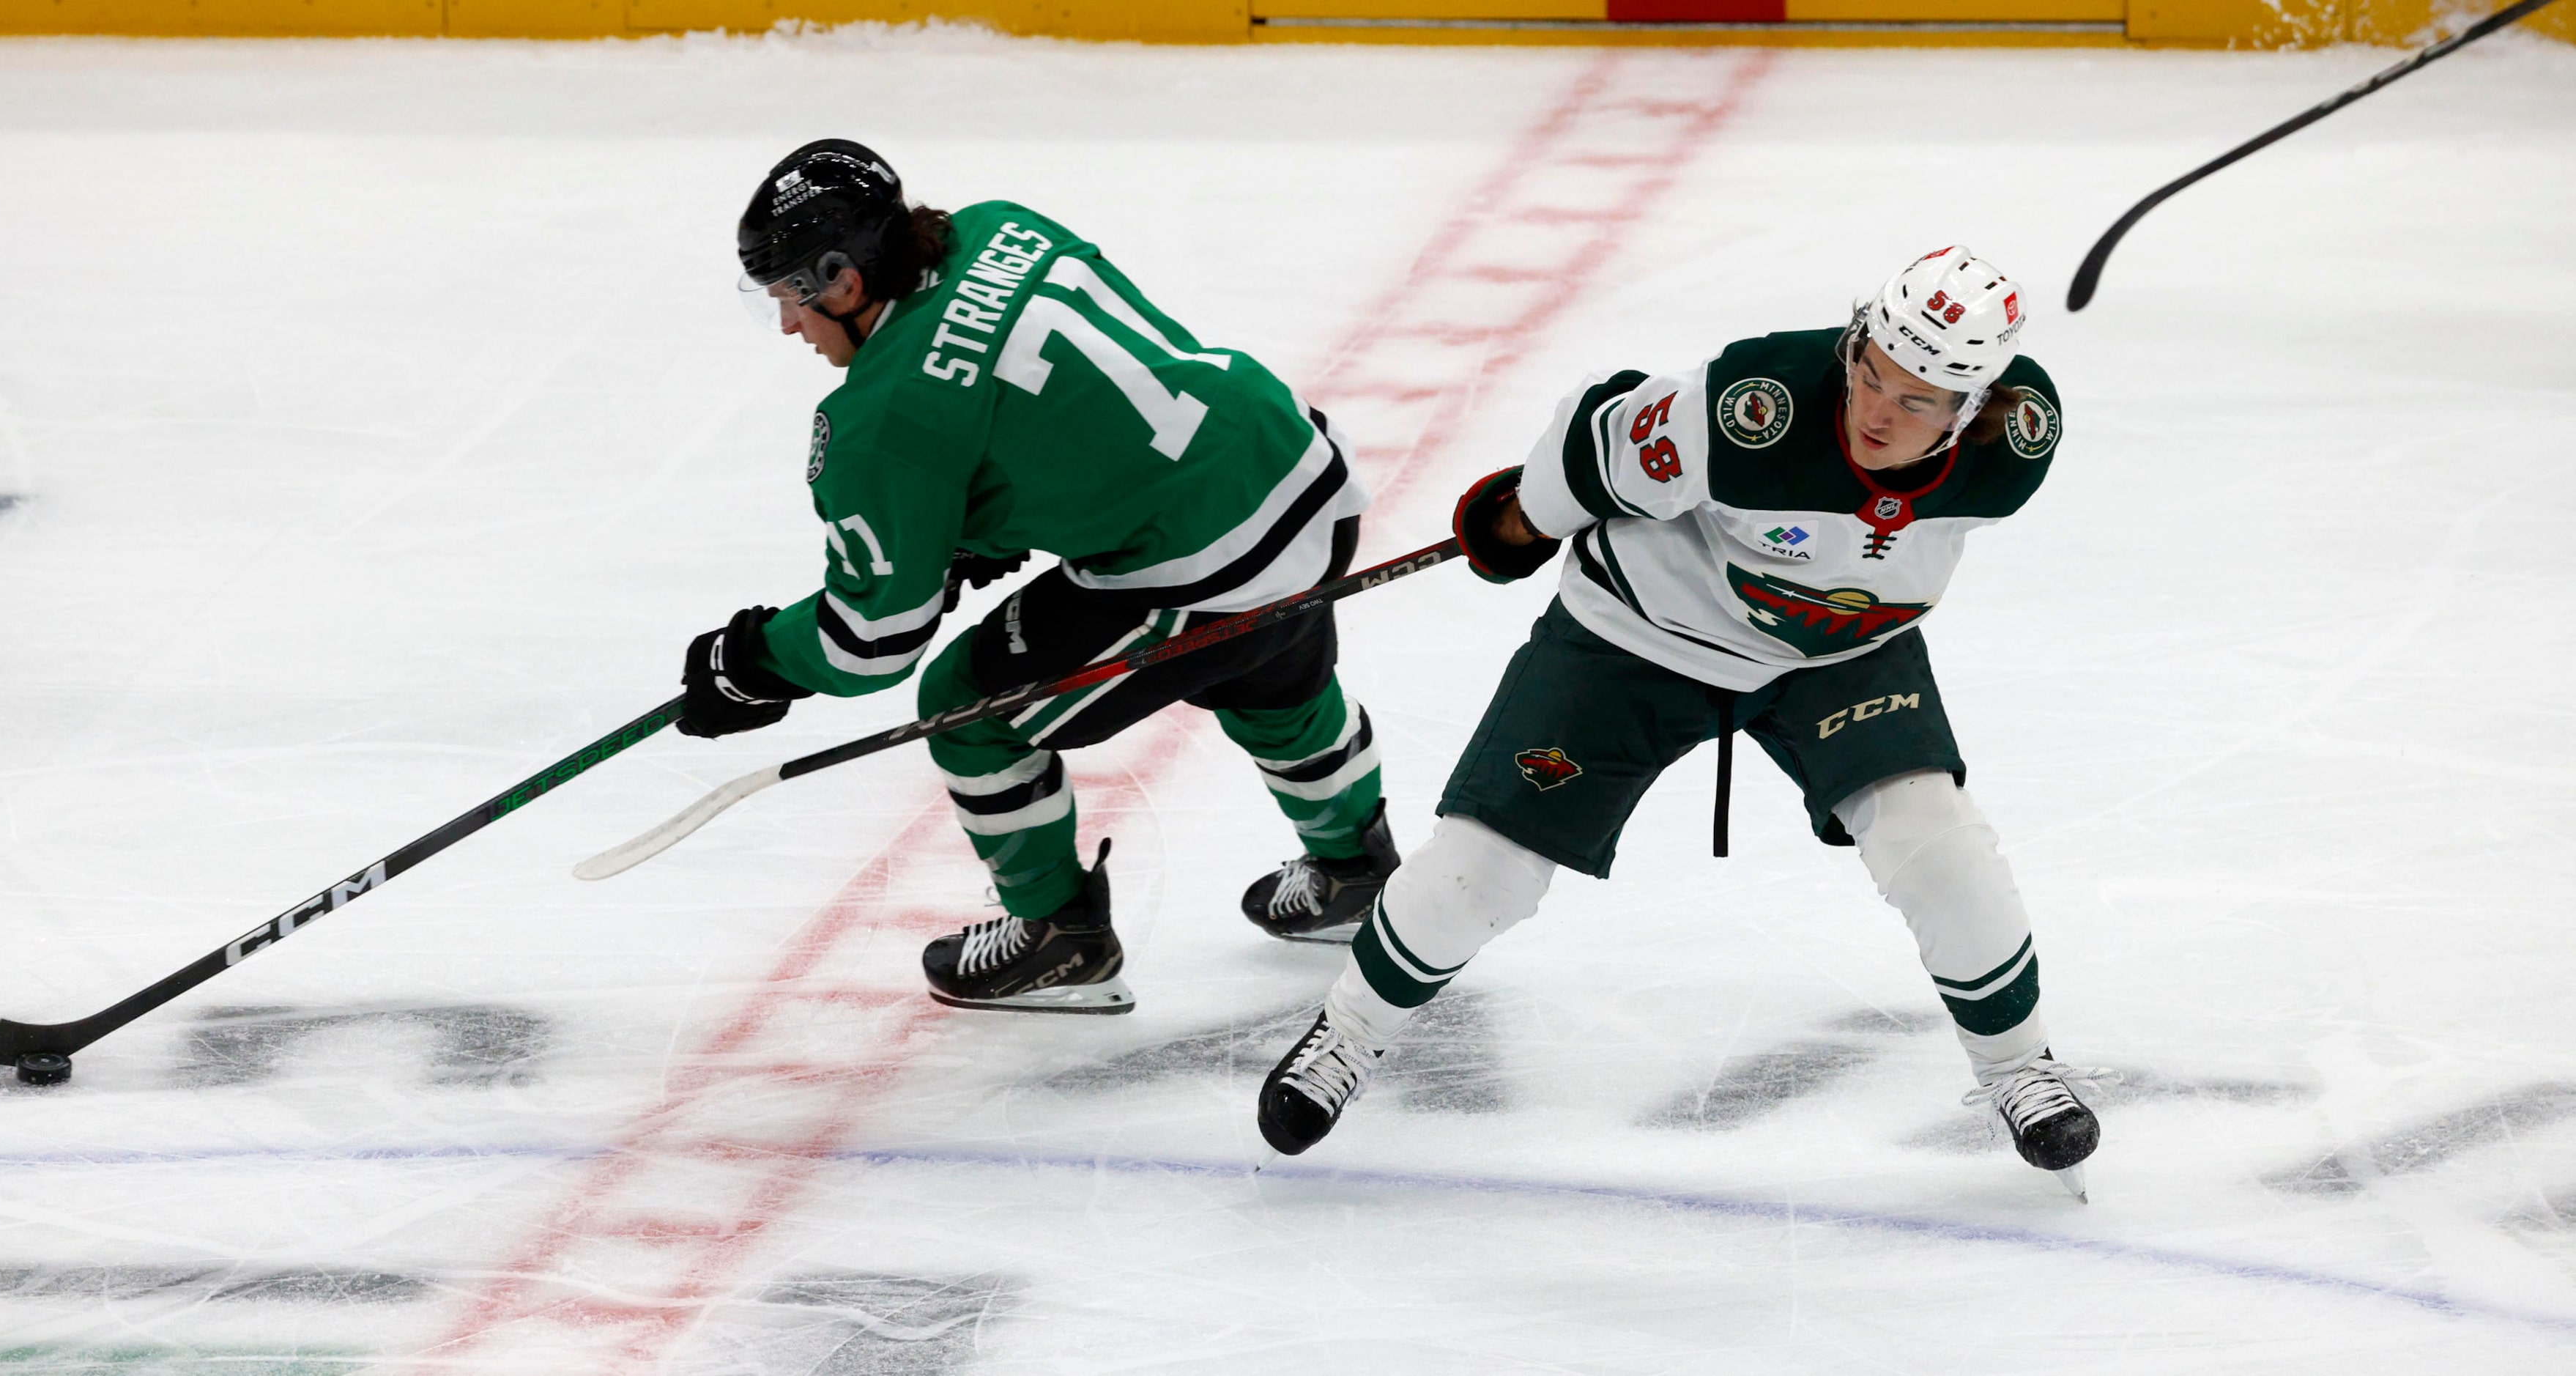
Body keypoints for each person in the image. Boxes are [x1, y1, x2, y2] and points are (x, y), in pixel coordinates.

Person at [1254, 248, 2107, 1193]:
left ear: (1971, 407)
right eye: (1868, 373)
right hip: (1635, 642)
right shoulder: (1756, 406)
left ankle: (2018, 1068)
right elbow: (1595, 439)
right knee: (1478, 868)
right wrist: (1519, 524)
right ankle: (1349, 1038)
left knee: (1939, 846)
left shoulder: (2017, 439)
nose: (1873, 411)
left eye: (1913, 403)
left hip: (1837, 656)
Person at [680, 138, 1401, 1015]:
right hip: (1295, 465)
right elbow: (1069, 401)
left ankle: (1059, 936)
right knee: (1268, 667)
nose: (791, 325)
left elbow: (869, 641)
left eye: (792, 297)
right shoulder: (1001, 229)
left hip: (1200, 565)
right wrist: (984, 519)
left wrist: (752, 664)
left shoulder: (878, 420)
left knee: (967, 710)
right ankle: (1354, 868)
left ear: (843, 279)